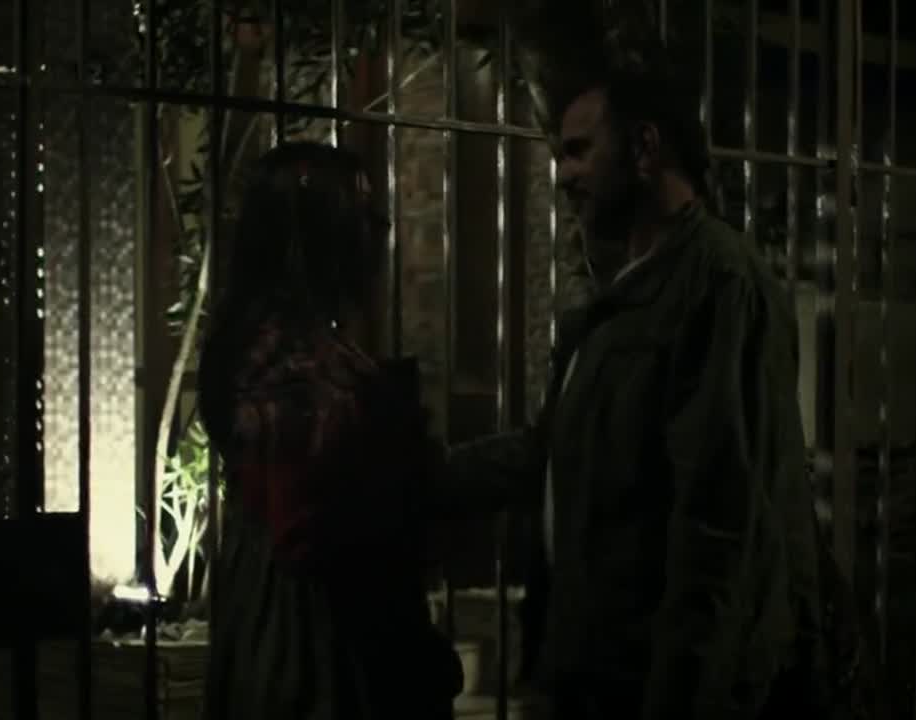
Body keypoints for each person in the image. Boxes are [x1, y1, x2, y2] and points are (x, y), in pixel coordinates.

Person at [444, 62, 878, 719]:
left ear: (645, 149)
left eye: (579, 151)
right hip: (599, 674)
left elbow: (720, 523)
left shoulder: (717, 284)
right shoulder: (625, 296)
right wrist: (418, 475)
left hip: (652, 684)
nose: (563, 175)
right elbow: (550, 450)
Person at [199, 141, 462, 720]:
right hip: (315, 634)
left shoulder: (284, 348)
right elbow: (315, 519)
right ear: (314, 233)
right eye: (360, 213)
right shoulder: (285, 361)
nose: (380, 231)